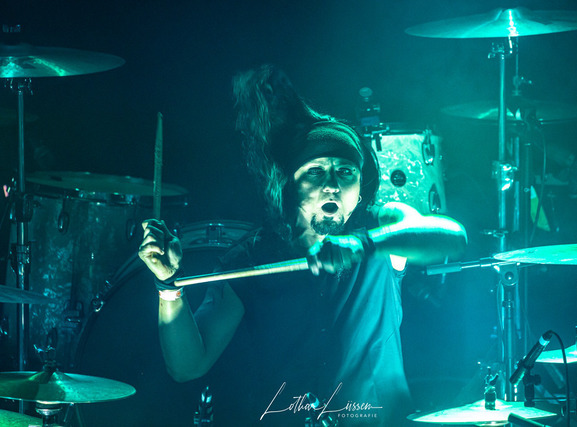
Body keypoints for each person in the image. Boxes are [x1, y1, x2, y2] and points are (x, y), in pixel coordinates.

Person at [138, 65, 467, 426]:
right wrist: (167, 285)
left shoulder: (381, 225)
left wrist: (366, 244)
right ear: (291, 186)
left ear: (359, 190)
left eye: (346, 172)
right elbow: (187, 366)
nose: (332, 184)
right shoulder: (251, 258)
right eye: (315, 170)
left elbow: (452, 236)